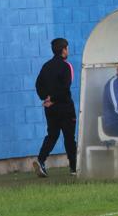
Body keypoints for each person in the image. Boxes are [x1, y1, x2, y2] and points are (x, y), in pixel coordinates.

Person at [33, 38, 77, 177]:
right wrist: (52, 98)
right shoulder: (66, 66)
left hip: (50, 108)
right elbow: (65, 89)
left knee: (52, 135)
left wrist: (45, 98)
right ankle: (74, 167)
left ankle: (41, 160)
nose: (68, 50)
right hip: (65, 107)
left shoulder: (46, 66)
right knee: (69, 137)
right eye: (67, 48)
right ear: (64, 50)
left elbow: (38, 85)